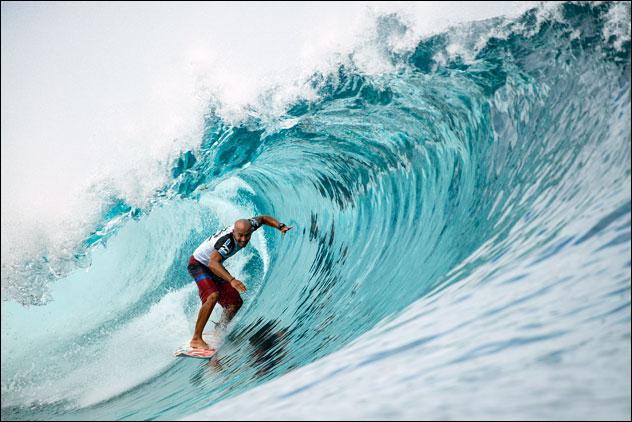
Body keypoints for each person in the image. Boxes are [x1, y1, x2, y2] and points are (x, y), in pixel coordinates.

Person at [187, 216, 292, 350]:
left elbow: (263, 218)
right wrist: (231, 280)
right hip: (198, 264)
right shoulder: (227, 242)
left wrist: (280, 226)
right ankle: (196, 339)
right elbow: (213, 263)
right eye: (240, 236)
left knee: (235, 303)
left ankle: (219, 330)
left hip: (213, 265)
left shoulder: (251, 225)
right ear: (233, 232)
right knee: (212, 295)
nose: (243, 240)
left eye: (246, 236)